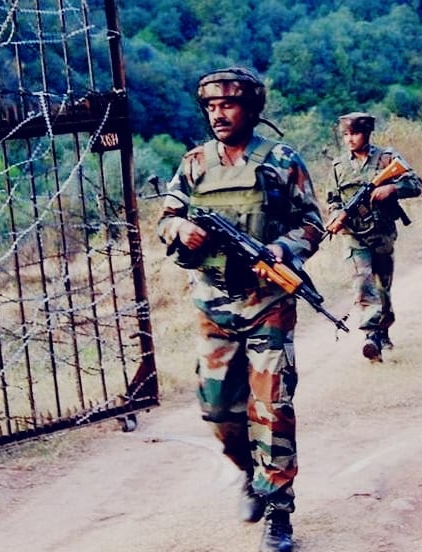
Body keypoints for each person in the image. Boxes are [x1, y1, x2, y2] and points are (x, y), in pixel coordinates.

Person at [157, 66, 324, 552]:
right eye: (211, 107)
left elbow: (312, 223)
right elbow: (166, 216)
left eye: (228, 105)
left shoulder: (281, 161)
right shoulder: (194, 163)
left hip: (268, 305)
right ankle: (248, 473)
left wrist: (282, 249)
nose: (218, 114)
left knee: (272, 408)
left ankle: (278, 510)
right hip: (213, 306)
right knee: (218, 411)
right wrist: (179, 230)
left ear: (250, 109)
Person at [325, 112, 422, 362]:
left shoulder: (387, 158)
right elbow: (332, 201)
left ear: (367, 133)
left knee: (382, 288)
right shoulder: (339, 166)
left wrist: (392, 188)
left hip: (382, 234)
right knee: (362, 284)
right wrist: (336, 216)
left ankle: (383, 330)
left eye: (355, 133)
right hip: (354, 236)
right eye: (345, 134)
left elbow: (416, 184)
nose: (349, 139)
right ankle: (371, 336)